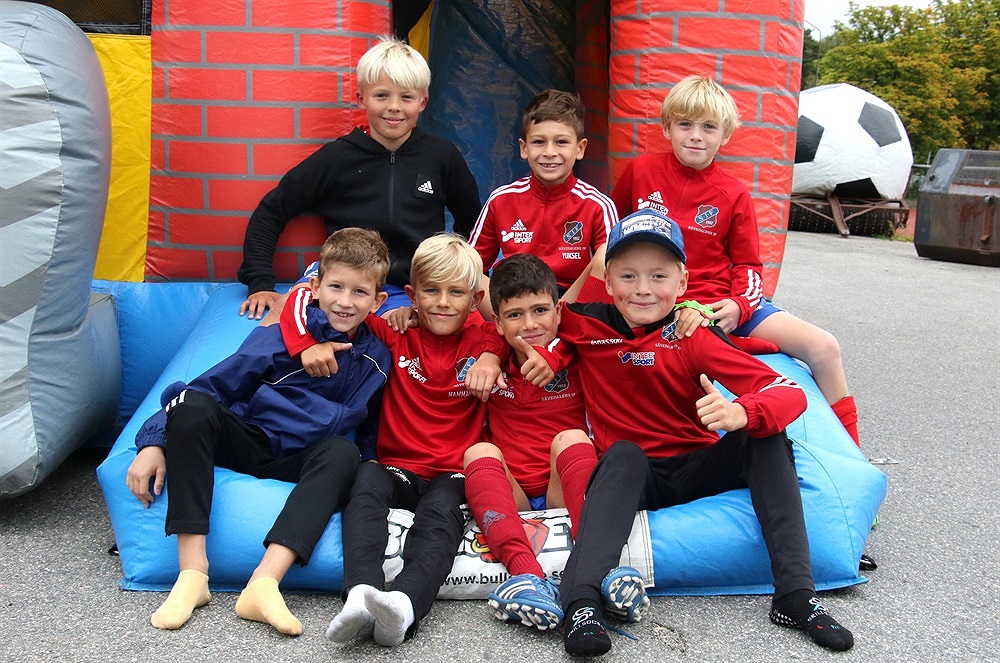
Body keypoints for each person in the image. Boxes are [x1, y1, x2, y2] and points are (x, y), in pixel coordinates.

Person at [521, 210, 855, 656]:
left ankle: (795, 595)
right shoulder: (583, 323)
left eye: (658, 276)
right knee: (622, 453)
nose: (642, 288)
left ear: (682, 284)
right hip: (637, 477)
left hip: (699, 468)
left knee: (768, 435)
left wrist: (742, 411)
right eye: (628, 276)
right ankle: (581, 603)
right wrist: (530, 356)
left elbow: (787, 391)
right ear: (608, 281)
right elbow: (522, 325)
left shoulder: (693, 334)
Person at [125, 228, 394, 634]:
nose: (345, 301)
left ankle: (264, 583)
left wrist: (375, 470)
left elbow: (372, 424)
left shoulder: (377, 359)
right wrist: (153, 442)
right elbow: (208, 387)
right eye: (336, 287)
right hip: (248, 438)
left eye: (360, 292)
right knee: (193, 405)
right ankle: (192, 574)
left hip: (300, 456)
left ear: (377, 301)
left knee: (344, 453)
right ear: (315, 287)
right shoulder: (282, 337)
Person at [598, 74, 861, 446]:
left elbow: (749, 267)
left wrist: (740, 305)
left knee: (824, 346)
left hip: (725, 303)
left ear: (725, 136)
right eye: (685, 125)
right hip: (669, 302)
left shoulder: (733, 193)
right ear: (667, 128)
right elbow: (611, 242)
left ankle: (851, 455)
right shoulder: (641, 172)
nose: (696, 136)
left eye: (708, 127)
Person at [314, 233, 507, 648]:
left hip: (452, 472)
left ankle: (403, 606)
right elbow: (336, 305)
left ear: (475, 299)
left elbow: (514, 329)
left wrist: (491, 355)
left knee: (440, 512)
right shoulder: (394, 331)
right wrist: (399, 313)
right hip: (397, 467)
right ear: (412, 294)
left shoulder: (487, 341)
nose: (443, 303)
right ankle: (359, 595)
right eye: (431, 291)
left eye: (456, 293)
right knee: (365, 480)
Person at [237, 35, 481, 321]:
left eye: (406, 97)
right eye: (381, 96)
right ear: (361, 98)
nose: (394, 106)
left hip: (415, 286)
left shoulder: (441, 156)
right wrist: (260, 282)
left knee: (465, 311)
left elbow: (474, 225)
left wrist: (461, 274)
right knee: (282, 321)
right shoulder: (337, 158)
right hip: (345, 281)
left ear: (422, 101)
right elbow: (272, 210)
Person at [463, 253, 601, 632]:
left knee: (572, 438)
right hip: (515, 495)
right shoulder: (489, 358)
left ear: (557, 311)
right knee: (479, 452)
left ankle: (596, 566)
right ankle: (526, 576)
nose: (529, 324)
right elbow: (444, 321)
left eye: (540, 310)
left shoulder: (578, 348)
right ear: (497, 322)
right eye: (515, 315)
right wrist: (405, 314)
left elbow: (604, 265)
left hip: (562, 489)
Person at [468, 89, 616, 314]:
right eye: (539, 142)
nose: (549, 152)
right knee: (464, 266)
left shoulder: (597, 205)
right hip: (513, 304)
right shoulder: (501, 199)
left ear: (580, 148)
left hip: (569, 307)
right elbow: (470, 265)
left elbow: (614, 272)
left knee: (609, 255)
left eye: (561, 142)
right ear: (524, 148)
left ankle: (567, 329)